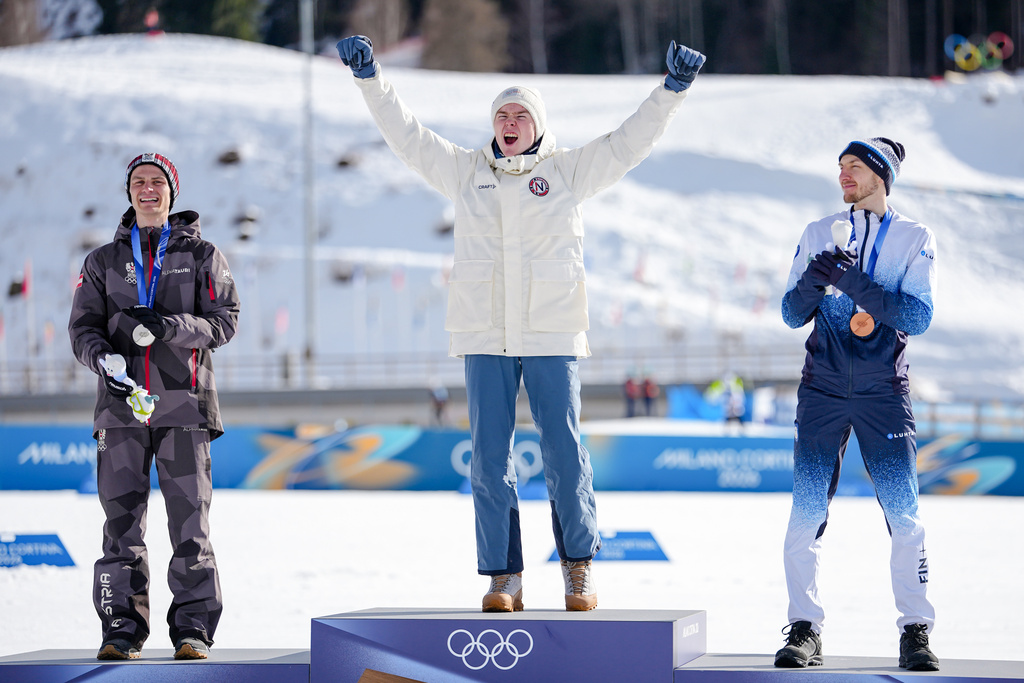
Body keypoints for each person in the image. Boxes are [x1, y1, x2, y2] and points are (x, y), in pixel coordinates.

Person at [337, 34, 705, 612]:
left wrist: (670, 92)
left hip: (551, 332)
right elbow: (406, 136)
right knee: (488, 456)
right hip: (484, 333)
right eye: (502, 115)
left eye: (520, 114)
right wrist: (371, 79)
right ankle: (504, 577)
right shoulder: (465, 172)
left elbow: (626, 143)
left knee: (563, 449)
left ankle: (577, 568)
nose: (510, 122)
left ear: (536, 124)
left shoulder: (567, 173)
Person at [69, 153, 240, 661]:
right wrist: (104, 361)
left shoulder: (203, 254)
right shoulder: (101, 261)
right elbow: (82, 330)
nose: (148, 190)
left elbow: (225, 321)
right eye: (139, 183)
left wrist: (170, 327)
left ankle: (193, 630)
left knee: (191, 525)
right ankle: (120, 628)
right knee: (121, 528)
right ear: (129, 193)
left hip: (184, 408)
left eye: (157, 183)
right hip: (121, 412)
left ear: (172, 192)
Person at [776, 138, 939, 670]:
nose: (843, 174)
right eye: (840, 166)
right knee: (806, 515)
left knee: (903, 515)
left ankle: (916, 630)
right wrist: (813, 279)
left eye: (855, 166)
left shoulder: (914, 237)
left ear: (882, 176)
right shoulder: (818, 231)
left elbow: (914, 317)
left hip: (882, 394)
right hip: (821, 390)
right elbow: (790, 313)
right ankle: (805, 627)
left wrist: (852, 281)